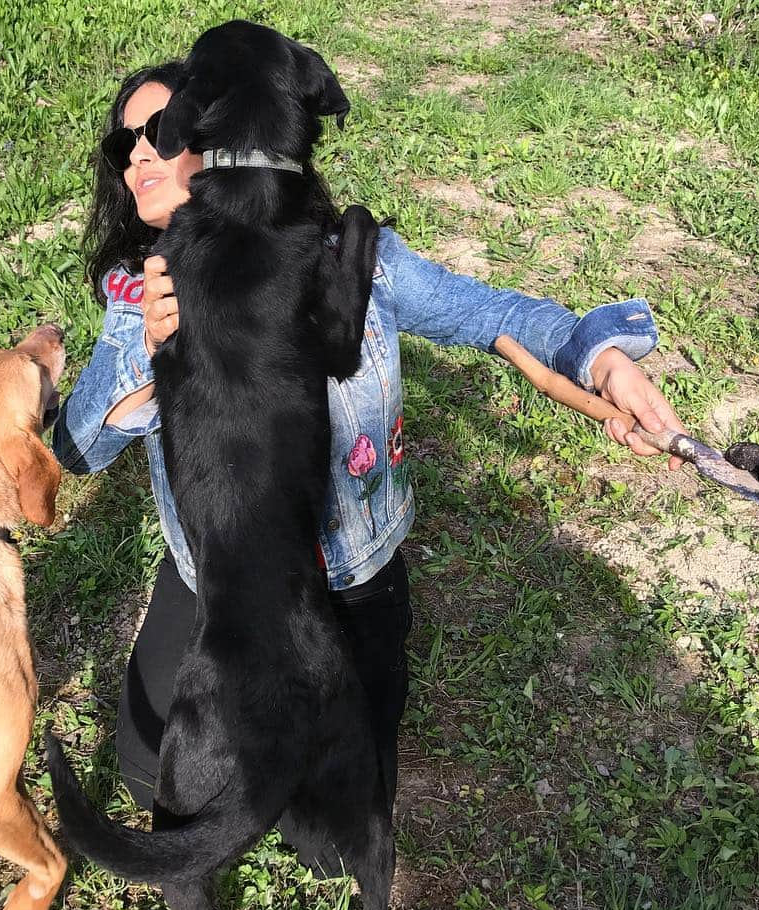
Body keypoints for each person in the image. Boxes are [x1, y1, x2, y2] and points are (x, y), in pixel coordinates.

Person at [52, 59, 687, 854]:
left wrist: (599, 358)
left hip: (353, 576)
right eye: (125, 146)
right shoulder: (146, 295)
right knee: (153, 775)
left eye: (161, 132)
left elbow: (480, 311)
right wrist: (148, 351)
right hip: (223, 581)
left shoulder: (353, 258)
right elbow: (76, 448)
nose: (140, 154)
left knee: (331, 831)